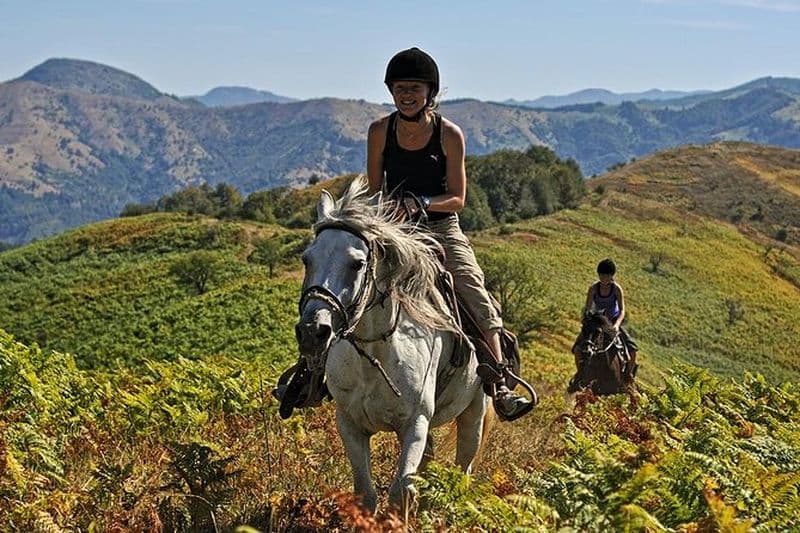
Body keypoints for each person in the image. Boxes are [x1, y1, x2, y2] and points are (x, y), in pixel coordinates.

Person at [366, 47, 534, 421]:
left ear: (430, 92)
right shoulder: (380, 131)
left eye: (414, 87)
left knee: (473, 291)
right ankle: (313, 372)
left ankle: (500, 382)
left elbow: (457, 198)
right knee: (344, 276)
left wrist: (419, 205)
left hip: (441, 228)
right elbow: (375, 190)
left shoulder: (449, 134)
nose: (406, 94)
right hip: (395, 228)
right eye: (399, 88)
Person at [570, 258, 638, 388]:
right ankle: (579, 375)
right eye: (601, 275)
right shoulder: (594, 288)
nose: (603, 278)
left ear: (611, 276)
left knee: (632, 349)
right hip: (597, 321)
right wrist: (587, 320)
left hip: (613, 321)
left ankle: (628, 376)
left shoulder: (617, 289)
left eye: (606, 275)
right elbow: (588, 308)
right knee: (578, 349)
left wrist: (617, 324)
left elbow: (622, 310)